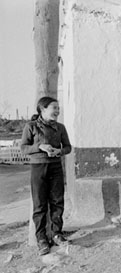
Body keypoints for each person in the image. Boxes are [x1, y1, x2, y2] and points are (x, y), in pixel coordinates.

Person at [20, 96, 72, 255]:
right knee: (40, 204)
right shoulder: (31, 126)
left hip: (56, 167)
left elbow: (68, 147)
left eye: (58, 108)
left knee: (57, 201)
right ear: (42, 109)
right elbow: (23, 148)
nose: (57, 111)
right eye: (53, 108)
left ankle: (57, 233)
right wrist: (40, 146)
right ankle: (41, 238)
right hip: (38, 167)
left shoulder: (61, 128)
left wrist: (59, 151)